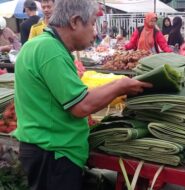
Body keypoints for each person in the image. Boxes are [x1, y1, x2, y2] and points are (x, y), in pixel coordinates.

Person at [14, 0, 152, 189]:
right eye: (93, 23)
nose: (95, 32)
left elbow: (74, 96)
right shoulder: (50, 50)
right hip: (53, 154)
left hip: (45, 150)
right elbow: (81, 107)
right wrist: (121, 85)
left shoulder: (39, 45)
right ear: (75, 21)